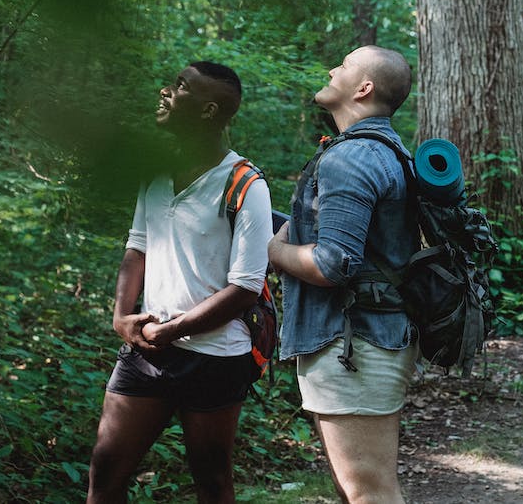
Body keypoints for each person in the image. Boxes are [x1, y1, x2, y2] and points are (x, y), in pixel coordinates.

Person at [87, 61, 271, 504]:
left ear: (209, 111)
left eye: (181, 87)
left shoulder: (245, 184)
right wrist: (121, 318)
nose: (166, 91)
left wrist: (172, 330)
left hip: (213, 358)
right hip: (145, 352)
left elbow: (246, 287)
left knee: (211, 482)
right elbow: (138, 248)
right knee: (106, 474)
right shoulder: (155, 171)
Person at [268, 45, 419, 504]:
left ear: (364, 87)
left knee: (368, 491)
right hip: (368, 340)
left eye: (345, 66)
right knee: (362, 489)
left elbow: (334, 263)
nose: (333, 68)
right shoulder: (388, 151)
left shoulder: (351, 158)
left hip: (354, 345)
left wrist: (274, 250)